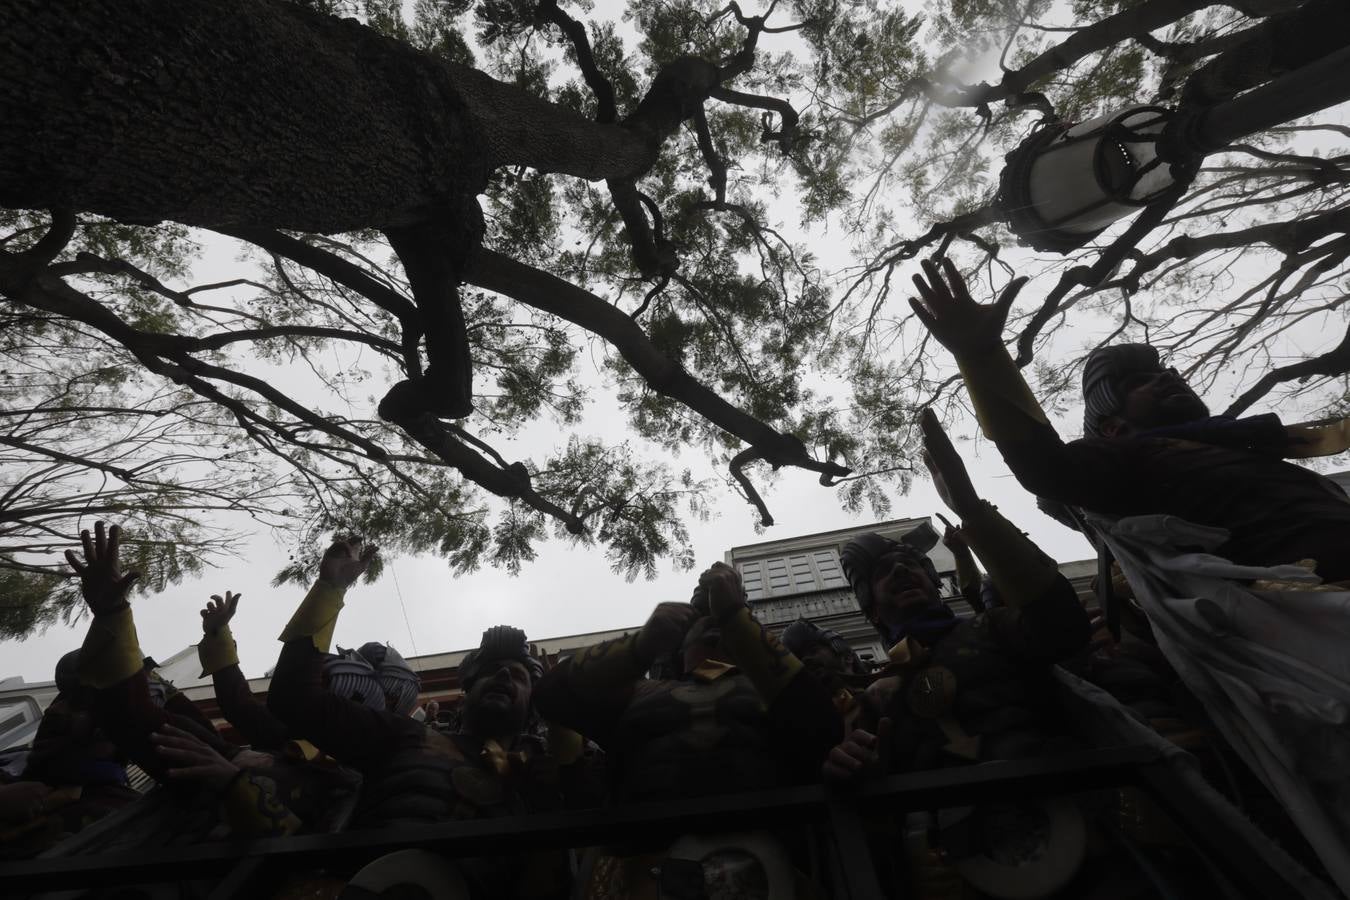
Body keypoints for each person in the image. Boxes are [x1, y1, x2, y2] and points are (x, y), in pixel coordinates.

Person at [907, 257, 1350, 582]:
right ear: (1113, 429)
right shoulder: (1131, 462)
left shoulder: (1255, 450)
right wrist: (982, 356)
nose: (1164, 381)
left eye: (1165, 373)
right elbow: (1048, 470)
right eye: (1140, 381)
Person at [266, 539, 583, 898]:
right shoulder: (406, 736)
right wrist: (330, 588)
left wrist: (562, 710)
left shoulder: (542, 777)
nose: (503, 677)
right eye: (491, 671)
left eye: (518, 676)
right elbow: (294, 699)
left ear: (533, 707)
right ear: (466, 694)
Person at [534, 562, 843, 899]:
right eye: (699, 620)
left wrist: (736, 617)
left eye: (718, 618)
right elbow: (551, 695)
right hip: (643, 878)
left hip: (776, 875)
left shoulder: (775, 690)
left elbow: (824, 726)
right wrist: (641, 644)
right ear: (678, 644)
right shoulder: (638, 694)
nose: (710, 623)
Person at [829, 409, 1091, 778]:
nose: (901, 570)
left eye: (910, 564)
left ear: (938, 587)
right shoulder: (871, 697)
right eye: (884, 572)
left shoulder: (993, 628)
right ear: (871, 611)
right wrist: (848, 765)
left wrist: (970, 508)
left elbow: (1062, 627)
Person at [62, 522, 309, 839]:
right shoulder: (286, 742)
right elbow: (236, 704)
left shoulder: (352, 760)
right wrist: (113, 613)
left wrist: (234, 781)